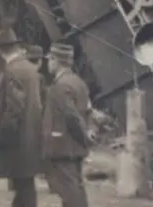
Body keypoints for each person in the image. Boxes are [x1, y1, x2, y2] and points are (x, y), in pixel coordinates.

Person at [0, 39, 42, 207]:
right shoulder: (30, 69)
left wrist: (2, 137)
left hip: (18, 139)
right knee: (25, 185)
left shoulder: (12, 71)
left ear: (0, 51)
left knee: (23, 186)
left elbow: (14, 108)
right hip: (30, 135)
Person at [42, 43, 91, 207]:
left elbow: (71, 117)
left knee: (70, 192)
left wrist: (82, 136)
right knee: (75, 187)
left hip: (63, 146)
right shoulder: (78, 82)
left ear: (56, 60)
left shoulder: (60, 86)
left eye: (50, 60)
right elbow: (86, 111)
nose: (48, 63)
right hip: (74, 146)